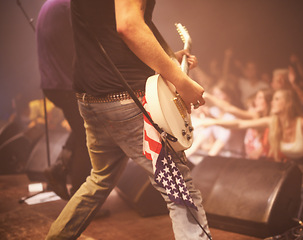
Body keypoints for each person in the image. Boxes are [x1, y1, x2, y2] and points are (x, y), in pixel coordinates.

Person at [46, 0, 210, 239]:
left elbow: (107, 32)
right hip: (127, 100)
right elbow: (129, 26)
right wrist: (182, 82)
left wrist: (169, 58)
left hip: (89, 97)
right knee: (180, 190)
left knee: (99, 180)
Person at [36, 0, 92, 200]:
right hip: (65, 83)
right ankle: (80, 199)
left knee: (84, 129)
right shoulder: (69, 5)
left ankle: (58, 169)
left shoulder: (50, 5)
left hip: (54, 83)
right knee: (89, 139)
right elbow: (86, 42)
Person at [201, 89, 303, 163]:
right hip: (286, 168)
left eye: (276, 99)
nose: (273, 102)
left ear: (288, 103)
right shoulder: (271, 121)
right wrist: (213, 121)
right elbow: (239, 123)